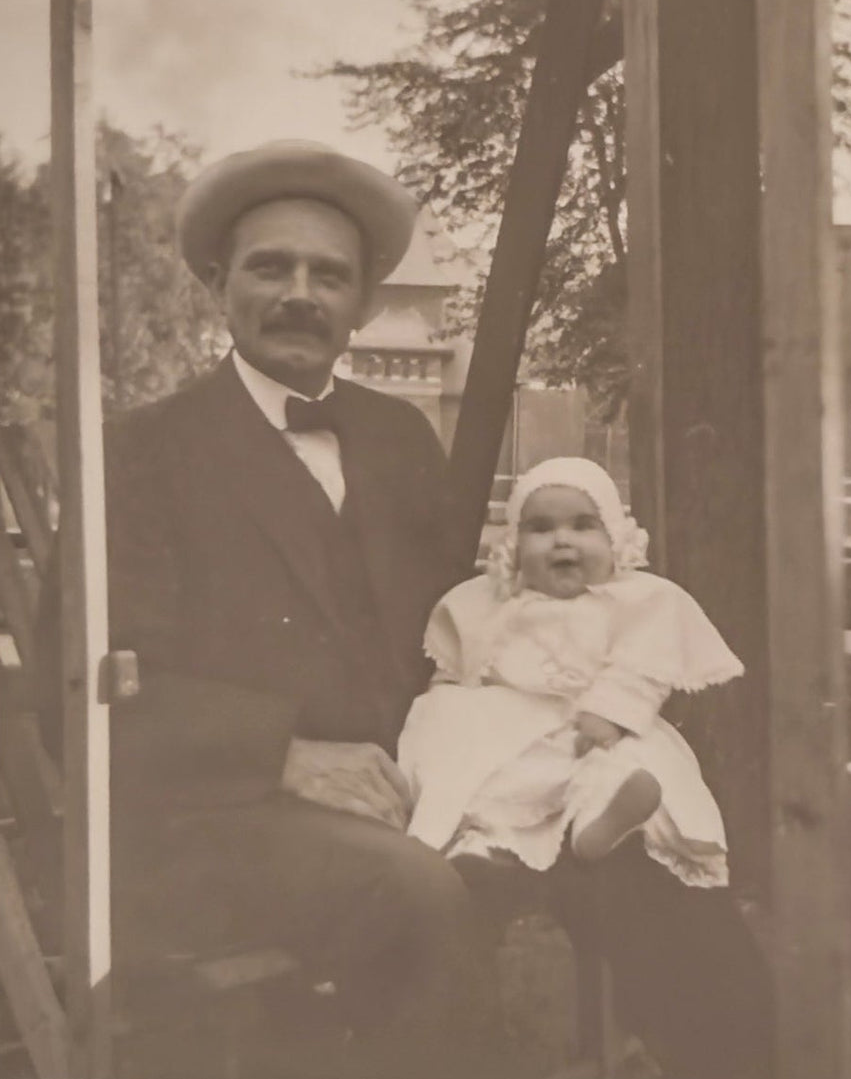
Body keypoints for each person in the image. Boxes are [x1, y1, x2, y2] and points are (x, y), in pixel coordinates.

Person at [36, 140, 495, 1079]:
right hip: (212, 823)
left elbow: (454, 628)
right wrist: (281, 754)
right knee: (422, 894)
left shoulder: (400, 437)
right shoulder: (143, 452)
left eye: (330, 275)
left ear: (363, 303)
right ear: (218, 286)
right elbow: (74, 685)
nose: (301, 293)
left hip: (409, 788)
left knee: (621, 839)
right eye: (270, 267)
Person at [400, 457, 774, 1079]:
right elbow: (460, 663)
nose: (562, 541)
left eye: (582, 525)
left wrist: (612, 710)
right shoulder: (489, 602)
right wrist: (455, 693)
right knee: (477, 771)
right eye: (541, 529)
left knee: (619, 766)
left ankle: (601, 825)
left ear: (616, 541)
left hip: (592, 733)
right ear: (515, 546)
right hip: (512, 730)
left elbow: (645, 663)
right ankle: (484, 844)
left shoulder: (638, 600)